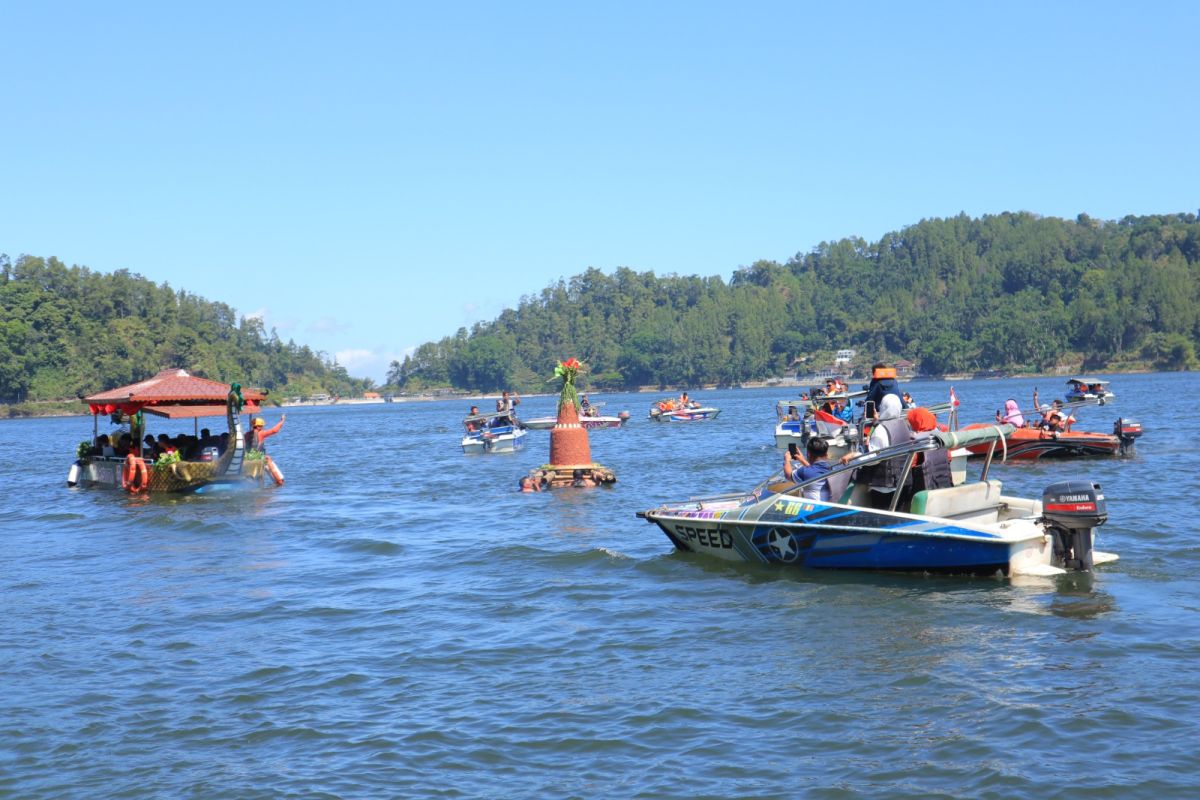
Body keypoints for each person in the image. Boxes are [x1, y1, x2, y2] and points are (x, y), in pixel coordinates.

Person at [841, 393, 912, 508]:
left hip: (884, 485)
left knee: (884, 516)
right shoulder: (904, 425)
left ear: (882, 407)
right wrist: (876, 422)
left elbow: (873, 459)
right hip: (903, 481)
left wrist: (853, 456)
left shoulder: (881, 429)